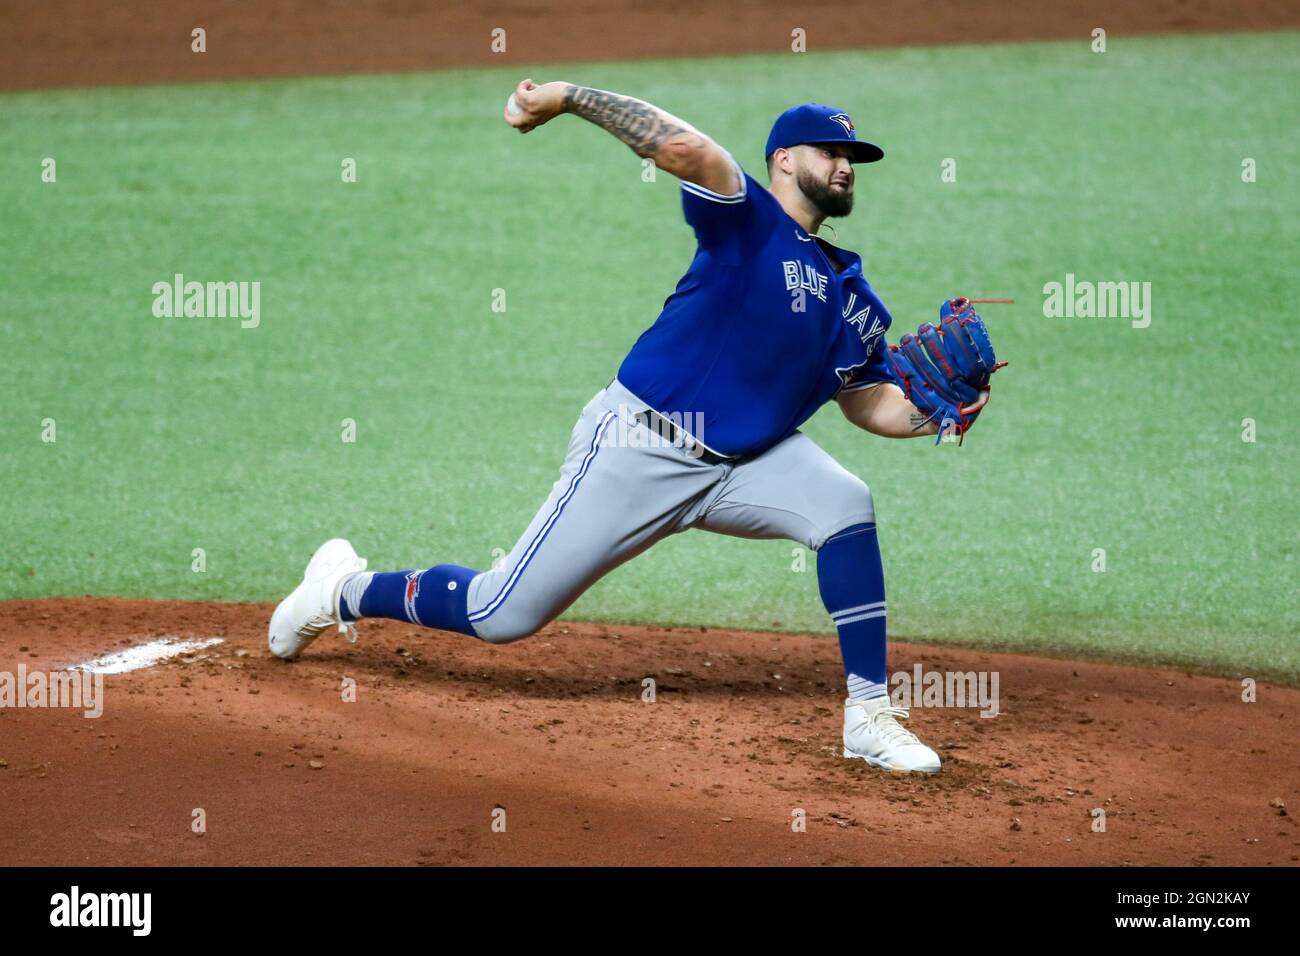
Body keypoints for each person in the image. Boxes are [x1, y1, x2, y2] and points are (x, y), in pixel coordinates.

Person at [269, 78, 979, 773]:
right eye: (829, 151)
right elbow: (686, 149)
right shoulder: (748, 221)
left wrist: (934, 415)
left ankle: (868, 714)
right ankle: (338, 590)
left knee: (846, 505)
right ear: (784, 160)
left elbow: (866, 403)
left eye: (853, 157)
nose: (846, 166)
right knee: (501, 613)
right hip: (642, 446)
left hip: (748, 464)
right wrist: (571, 98)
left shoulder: (853, 296)